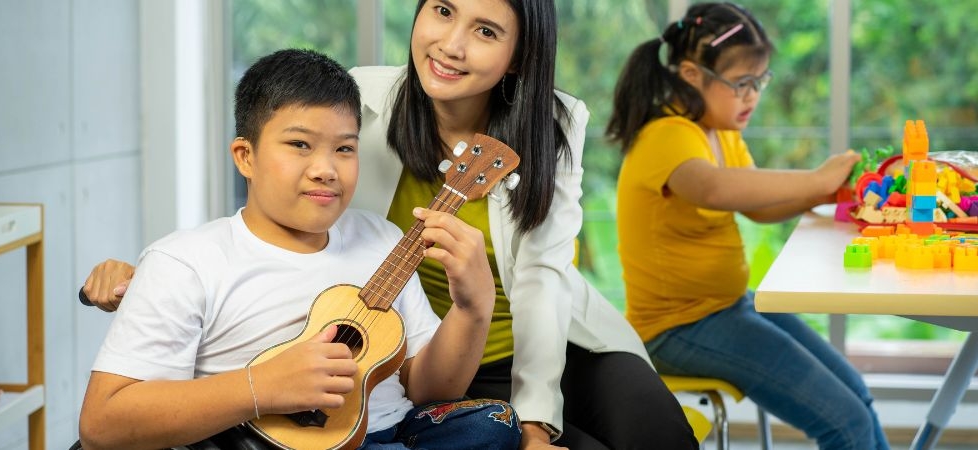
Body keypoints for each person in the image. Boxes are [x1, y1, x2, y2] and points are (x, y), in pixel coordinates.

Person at [82, 1, 699, 448]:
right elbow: (278, 204)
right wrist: (159, 273)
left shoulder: (555, 121)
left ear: (519, 57)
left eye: (485, 31)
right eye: (442, 11)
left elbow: (542, 275)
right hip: (409, 349)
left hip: (536, 339)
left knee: (657, 433)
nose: (451, 44)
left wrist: (536, 420)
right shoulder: (362, 99)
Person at [78, 48, 520, 450]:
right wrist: (261, 387)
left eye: (344, 148)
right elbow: (101, 424)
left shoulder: (383, 238)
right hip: (258, 437)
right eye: (299, 145)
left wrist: (473, 308)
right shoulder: (186, 262)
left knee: (494, 423)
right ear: (245, 156)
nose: (326, 169)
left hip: (389, 434)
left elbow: (429, 391)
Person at [605, 3, 889, 449]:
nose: (753, 96)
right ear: (691, 75)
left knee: (856, 393)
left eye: (760, 81)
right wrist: (816, 179)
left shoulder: (719, 131)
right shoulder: (667, 134)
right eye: (741, 84)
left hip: (728, 305)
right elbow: (715, 189)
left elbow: (757, 205)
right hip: (678, 328)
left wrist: (826, 193)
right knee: (846, 424)